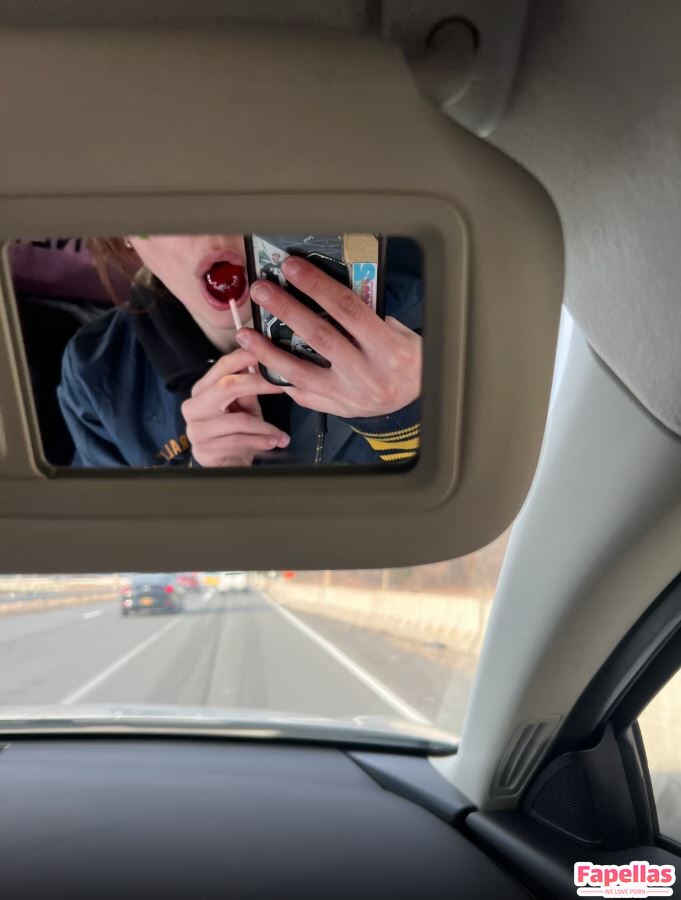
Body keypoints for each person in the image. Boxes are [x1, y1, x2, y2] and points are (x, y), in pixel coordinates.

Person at [57, 235, 422, 468]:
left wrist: (404, 422)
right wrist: (207, 492)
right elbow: (115, 548)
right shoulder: (97, 372)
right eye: (169, 204)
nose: (214, 229)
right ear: (125, 235)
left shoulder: (422, 306)